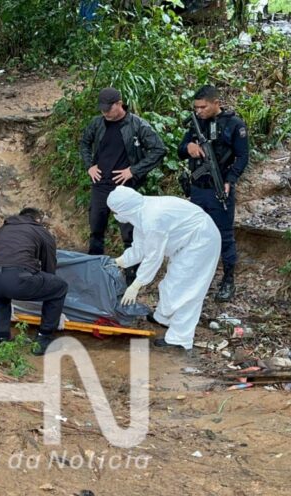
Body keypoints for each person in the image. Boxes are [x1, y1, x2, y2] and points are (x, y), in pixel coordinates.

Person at [107, 186, 220, 352]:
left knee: (187, 290)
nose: (116, 216)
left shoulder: (152, 219)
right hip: (187, 243)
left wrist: (136, 285)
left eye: (115, 211)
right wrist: (120, 261)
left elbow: (153, 256)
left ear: (124, 210)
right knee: (170, 284)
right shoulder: (140, 213)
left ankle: (180, 339)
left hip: (201, 241)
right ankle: (163, 317)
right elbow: (140, 248)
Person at [177, 85, 249, 302]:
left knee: (224, 236)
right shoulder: (197, 123)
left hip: (220, 190)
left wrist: (230, 179)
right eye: (196, 107)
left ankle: (228, 281)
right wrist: (189, 146)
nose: (199, 111)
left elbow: (243, 156)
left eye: (203, 107)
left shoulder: (234, 125)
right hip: (198, 189)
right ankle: (195, 279)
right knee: (194, 236)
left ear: (216, 102)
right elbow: (180, 150)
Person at [79, 87, 166, 258]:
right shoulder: (97, 123)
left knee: (129, 235)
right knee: (96, 230)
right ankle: (94, 270)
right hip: (100, 185)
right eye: (102, 109)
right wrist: (89, 165)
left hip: (125, 188)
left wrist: (134, 170)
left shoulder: (137, 124)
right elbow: (84, 143)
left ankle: (132, 276)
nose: (105, 113)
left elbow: (159, 149)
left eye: (108, 109)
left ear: (119, 104)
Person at [0, 208, 67, 356]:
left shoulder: (2, 230)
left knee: (0, 294)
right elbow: (49, 267)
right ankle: (44, 338)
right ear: (38, 220)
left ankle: (1, 338)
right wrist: (55, 311)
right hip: (17, 278)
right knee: (59, 287)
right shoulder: (41, 232)